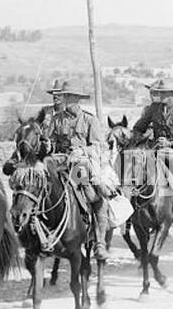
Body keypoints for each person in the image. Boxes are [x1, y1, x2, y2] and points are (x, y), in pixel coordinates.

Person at [34, 80, 114, 261]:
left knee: (93, 195)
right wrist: (46, 145)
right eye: (65, 96)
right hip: (59, 162)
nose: (66, 99)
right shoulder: (56, 119)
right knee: (39, 185)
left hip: (80, 164)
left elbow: (99, 147)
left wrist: (82, 151)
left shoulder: (89, 120)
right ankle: (36, 228)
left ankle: (100, 241)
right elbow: (51, 144)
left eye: (69, 96)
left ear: (77, 99)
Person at [129, 78, 173, 233]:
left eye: (162, 93)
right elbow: (138, 127)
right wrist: (140, 138)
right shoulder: (153, 109)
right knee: (133, 170)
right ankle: (132, 211)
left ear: (171, 94)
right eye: (158, 93)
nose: (159, 96)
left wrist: (169, 144)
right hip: (154, 152)